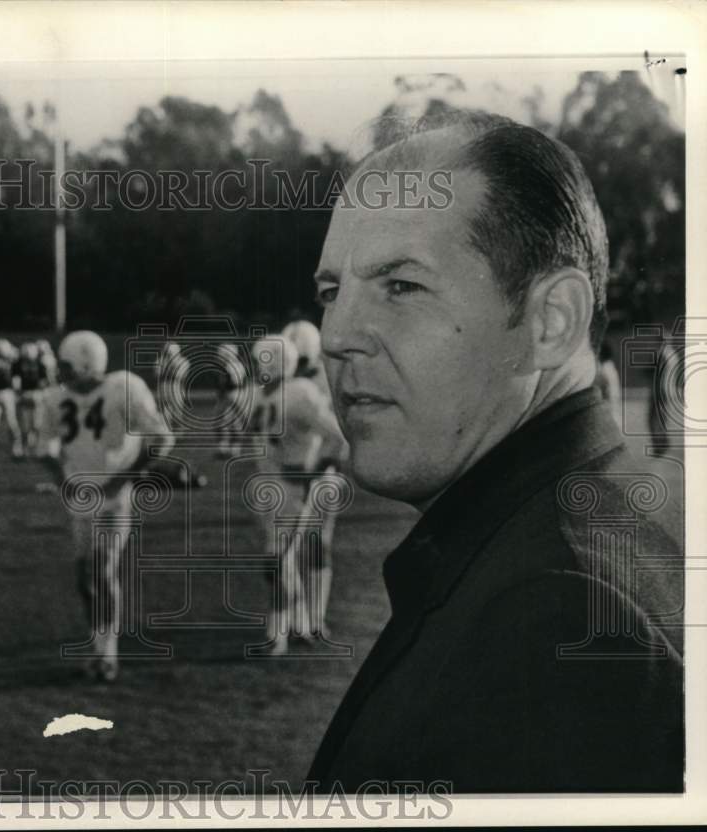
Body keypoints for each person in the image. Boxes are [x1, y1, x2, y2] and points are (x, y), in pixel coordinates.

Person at [308, 113, 683, 793]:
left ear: (550, 321)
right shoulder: (588, 529)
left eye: (401, 286)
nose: (336, 336)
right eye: (332, 293)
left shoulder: (559, 621)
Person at [33, 330, 175, 681]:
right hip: (80, 497)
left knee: (102, 568)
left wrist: (124, 477)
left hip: (113, 498)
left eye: (66, 364)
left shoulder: (122, 388)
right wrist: (61, 476)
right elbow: (44, 448)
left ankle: (106, 654)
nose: (59, 370)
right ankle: (97, 643)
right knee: (84, 581)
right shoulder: (54, 398)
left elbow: (163, 438)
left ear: (84, 362)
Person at [248, 335, 347, 655]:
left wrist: (312, 471)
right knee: (282, 562)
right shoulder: (257, 395)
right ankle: (299, 626)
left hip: (293, 491)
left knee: (275, 561)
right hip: (270, 489)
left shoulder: (301, 393)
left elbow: (338, 437)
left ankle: (276, 637)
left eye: (260, 360)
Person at [281, 319, 341, 638]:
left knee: (318, 544)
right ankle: (297, 617)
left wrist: (319, 469)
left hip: (318, 471)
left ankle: (314, 618)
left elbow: (339, 434)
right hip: (289, 471)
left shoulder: (328, 378)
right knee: (285, 547)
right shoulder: (287, 381)